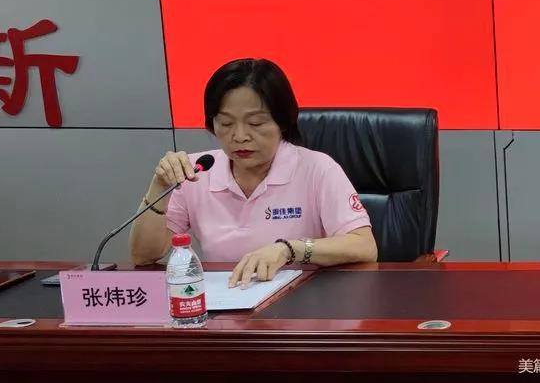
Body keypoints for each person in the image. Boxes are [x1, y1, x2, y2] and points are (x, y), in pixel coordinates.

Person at [129, 58, 377, 288]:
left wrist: (289, 249)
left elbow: (364, 246)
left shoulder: (317, 169)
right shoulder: (196, 172)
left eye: (256, 123)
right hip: (225, 307)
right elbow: (143, 256)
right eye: (226, 123)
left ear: (283, 121)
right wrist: (159, 187)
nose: (239, 136)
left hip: (303, 306)